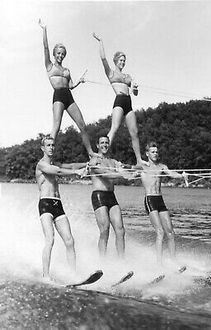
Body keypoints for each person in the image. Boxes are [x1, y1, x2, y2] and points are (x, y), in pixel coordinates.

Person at [38, 19, 94, 157]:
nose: (60, 55)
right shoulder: (49, 66)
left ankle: (91, 152)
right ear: (54, 53)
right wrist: (44, 29)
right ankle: (47, 155)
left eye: (62, 54)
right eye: (58, 53)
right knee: (56, 127)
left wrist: (79, 82)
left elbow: (70, 86)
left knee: (82, 125)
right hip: (58, 96)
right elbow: (45, 46)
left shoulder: (67, 70)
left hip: (68, 96)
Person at [35, 134, 87, 281]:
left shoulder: (55, 163)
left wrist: (87, 165)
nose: (51, 147)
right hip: (45, 204)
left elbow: (70, 165)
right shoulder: (42, 165)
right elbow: (58, 171)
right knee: (50, 240)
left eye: (53, 145)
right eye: (48, 145)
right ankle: (45, 276)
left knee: (70, 241)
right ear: (42, 148)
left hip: (58, 204)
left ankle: (73, 275)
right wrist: (76, 173)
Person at [93, 33, 146, 166]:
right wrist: (101, 41)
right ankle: (101, 155)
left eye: (124, 60)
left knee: (134, 132)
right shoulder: (111, 73)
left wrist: (134, 87)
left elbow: (135, 93)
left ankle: (139, 160)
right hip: (119, 101)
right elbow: (103, 58)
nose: (122, 62)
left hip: (129, 103)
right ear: (115, 61)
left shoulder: (128, 76)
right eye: (120, 60)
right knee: (114, 127)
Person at [140, 141, 187, 265]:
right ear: (147, 153)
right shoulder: (142, 167)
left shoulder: (162, 166)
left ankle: (173, 261)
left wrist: (182, 176)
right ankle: (159, 264)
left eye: (156, 151)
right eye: (152, 152)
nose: (155, 154)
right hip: (149, 199)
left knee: (170, 232)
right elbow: (128, 173)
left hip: (160, 200)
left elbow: (171, 173)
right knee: (160, 232)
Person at [88, 135, 133, 258]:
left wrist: (130, 171)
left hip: (111, 196)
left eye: (106, 142)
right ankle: (102, 262)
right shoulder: (94, 160)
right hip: (99, 195)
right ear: (97, 145)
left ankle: (121, 262)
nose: (104, 145)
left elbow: (125, 169)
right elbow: (105, 174)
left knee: (120, 230)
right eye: (102, 142)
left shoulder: (113, 162)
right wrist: (122, 175)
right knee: (105, 230)